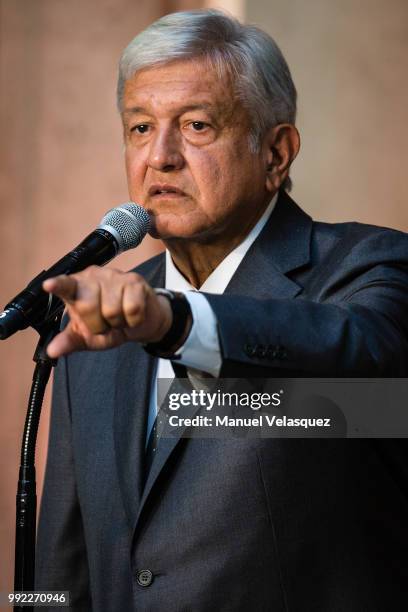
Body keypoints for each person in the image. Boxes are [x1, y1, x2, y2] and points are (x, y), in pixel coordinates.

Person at [36, 9, 408, 612]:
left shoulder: (367, 266)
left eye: (197, 125)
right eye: (138, 128)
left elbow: (364, 364)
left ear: (276, 152)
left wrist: (179, 323)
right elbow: (62, 566)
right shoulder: (98, 322)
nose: (159, 156)